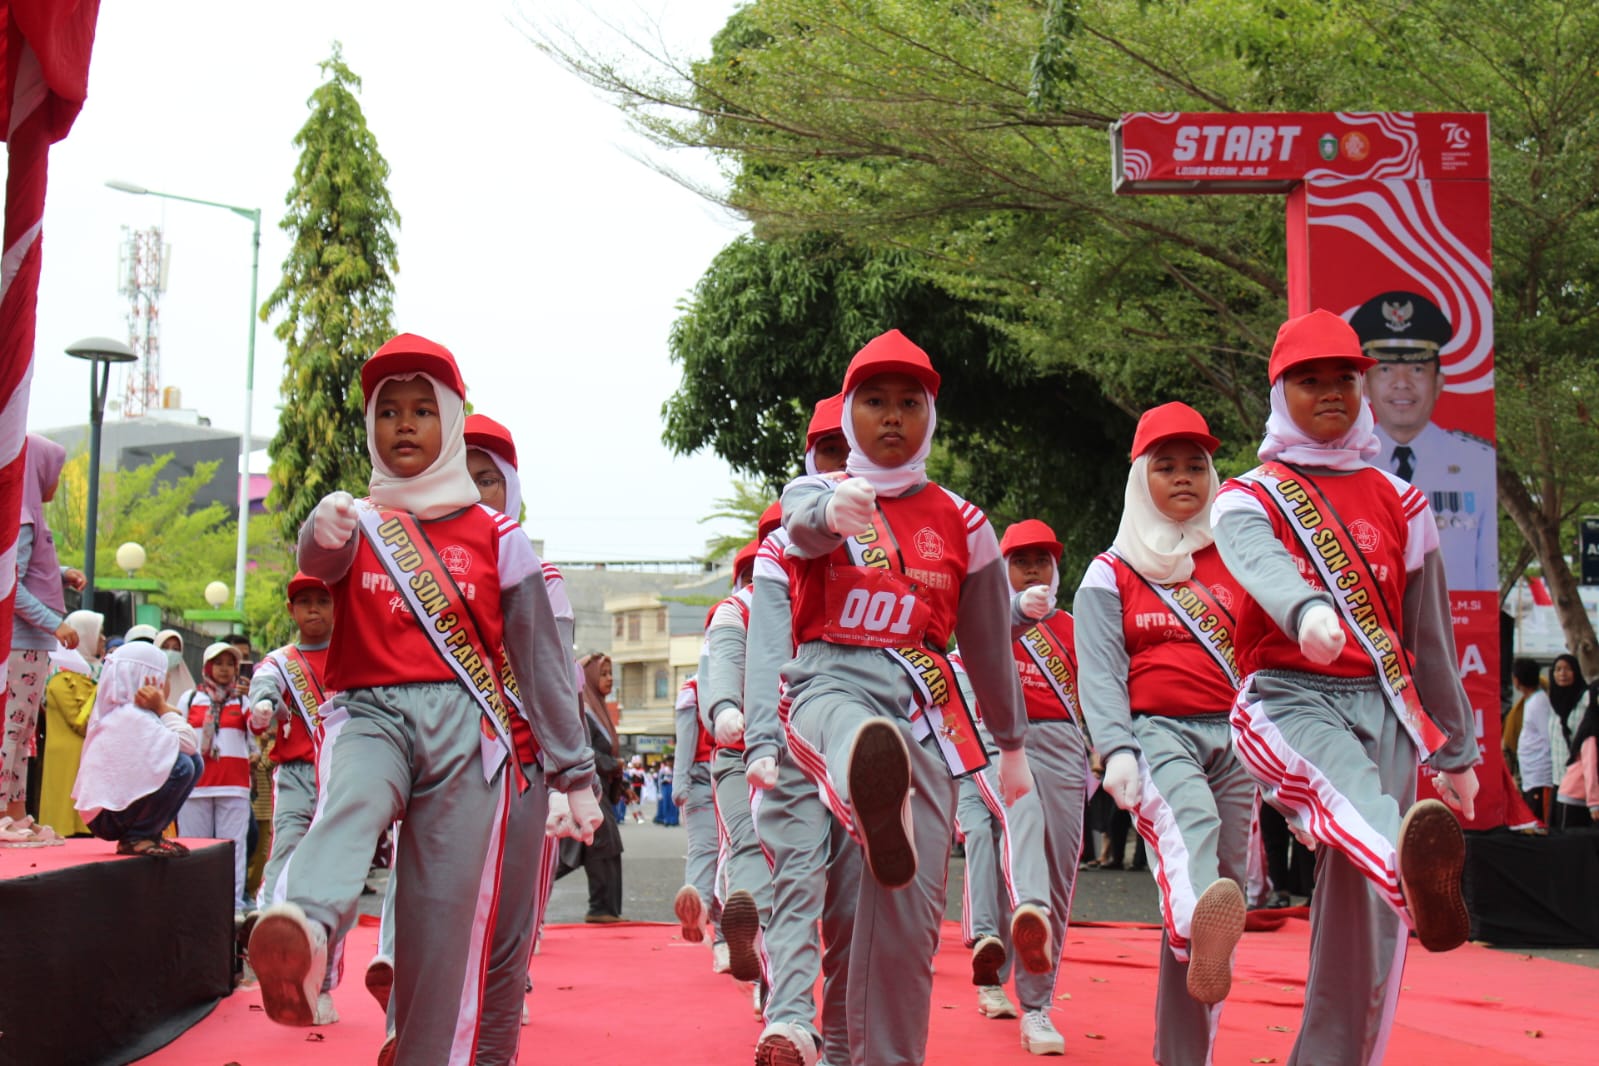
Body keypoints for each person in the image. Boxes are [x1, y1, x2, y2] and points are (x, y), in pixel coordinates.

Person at [249, 333, 600, 1064]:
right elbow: (317, 563)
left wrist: (574, 771)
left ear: (449, 420)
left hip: (468, 742)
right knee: (348, 807)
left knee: (443, 929)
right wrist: (319, 532)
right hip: (371, 716)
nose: (403, 425)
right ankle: (306, 932)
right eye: (387, 412)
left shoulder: (500, 538)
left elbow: (541, 663)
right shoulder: (357, 520)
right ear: (371, 428)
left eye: (421, 410)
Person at [1212, 309, 1480, 1065]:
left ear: (1360, 389)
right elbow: (1255, 560)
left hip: (1385, 704)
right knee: (1350, 798)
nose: (1328, 392)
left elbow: (1428, 637)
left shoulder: (1402, 501)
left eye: (1342, 379)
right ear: (1278, 392)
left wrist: (1454, 753)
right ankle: (1407, 867)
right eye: (1308, 381)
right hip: (1290, 697)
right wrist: (1304, 611)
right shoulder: (1249, 495)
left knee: (1367, 920)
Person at [774, 329, 1034, 1066]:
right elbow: (798, 527)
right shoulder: (816, 491)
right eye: (875, 402)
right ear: (850, 414)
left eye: (909, 404)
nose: (892, 418)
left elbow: (986, 644)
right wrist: (832, 514)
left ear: (930, 418)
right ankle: (860, 766)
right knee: (849, 730)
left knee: (906, 919)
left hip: (925, 716)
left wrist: (1010, 747)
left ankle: (880, 1058)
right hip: (829, 685)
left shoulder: (965, 522)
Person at [1076, 403, 1253, 1065]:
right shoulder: (1109, 572)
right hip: (1156, 736)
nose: (1183, 478)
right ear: (1137, 480)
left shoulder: (1239, 560)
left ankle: (1185, 1057)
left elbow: (1264, 660)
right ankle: (1190, 922)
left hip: (1234, 743)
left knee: (1213, 900)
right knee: (1193, 843)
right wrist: (1115, 747)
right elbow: (1099, 670)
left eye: (1195, 465)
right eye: (1165, 466)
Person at [743, 395, 860, 1066]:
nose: (842, 467)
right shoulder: (777, 552)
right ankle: (788, 1021)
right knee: (797, 880)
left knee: (849, 901)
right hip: (790, 741)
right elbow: (763, 651)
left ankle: (839, 1040)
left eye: (851, 452)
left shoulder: (897, 541)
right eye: (828, 453)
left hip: (864, 744)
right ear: (808, 460)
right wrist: (760, 740)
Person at [1353, 291, 1496, 590]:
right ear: (1365, 384)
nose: (1401, 383)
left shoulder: (1477, 463)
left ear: (1438, 382)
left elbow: (1486, 574)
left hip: (1454, 623)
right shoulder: (1346, 461)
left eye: (1417, 369)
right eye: (1386, 369)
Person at [3, 435, 85, 846]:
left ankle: (15, 812)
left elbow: (28, 570)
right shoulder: (24, 517)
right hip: (21, 643)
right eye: (55, 471)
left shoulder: (30, 514)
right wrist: (55, 623)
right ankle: (4, 810)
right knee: (12, 729)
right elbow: (9, 585)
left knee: (21, 731)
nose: (56, 481)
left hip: (30, 644)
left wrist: (62, 572)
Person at [72, 641, 202, 857]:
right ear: (148, 679)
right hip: (108, 813)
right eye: (164, 677)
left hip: (112, 810)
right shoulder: (131, 716)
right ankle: (138, 837)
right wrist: (163, 708)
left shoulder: (131, 713)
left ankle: (149, 834)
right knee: (183, 765)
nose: (167, 683)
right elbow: (189, 741)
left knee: (193, 762)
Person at [177, 642, 254, 915]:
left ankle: (232, 906)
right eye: (218, 663)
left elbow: (257, 735)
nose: (224, 670)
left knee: (234, 848)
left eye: (230, 664)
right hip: (195, 785)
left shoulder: (245, 702)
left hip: (234, 786)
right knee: (193, 846)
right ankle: (192, 903)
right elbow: (178, 738)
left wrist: (258, 706)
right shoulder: (188, 700)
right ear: (207, 667)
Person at [560, 652, 624, 923]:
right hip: (587, 786)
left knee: (597, 846)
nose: (609, 679)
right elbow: (584, 750)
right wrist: (613, 763)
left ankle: (605, 909)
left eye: (611, 674)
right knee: (599, 845)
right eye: (604, 673)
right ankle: (601, 908)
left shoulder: (597, 710)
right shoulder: (583, 711)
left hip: (598, 787)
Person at [39, 610, 105, 838]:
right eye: (99, 634)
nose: (103, 640)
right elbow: (81, 722)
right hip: (67, 760)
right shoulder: (61, 678)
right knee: (67, 820)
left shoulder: (93, 674)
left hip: (84, 758)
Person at [671, 673, 717, 944]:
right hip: (738, 775)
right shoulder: (751, 677)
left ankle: (698, 904)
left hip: (699, 779)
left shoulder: (693, 687)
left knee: (702, 849)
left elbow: (685, 738)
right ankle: (725, 938)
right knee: (734, 856)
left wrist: (680, 784)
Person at [1512, 658, 1563, 825]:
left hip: (1540, 774)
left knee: (1539, 821)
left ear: (1517, 680)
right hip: (1531, 773)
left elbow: (1547, 737)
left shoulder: (1539, 702)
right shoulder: (1532, 701)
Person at [1557, 682, 1599, 825]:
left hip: (1588, 799)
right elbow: (1590, 769)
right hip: (1576, 798)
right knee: (1571, 845)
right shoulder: (1592, 730)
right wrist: (1594, 803)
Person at [1547, 654, 1585, 747]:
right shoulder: (1552, 702)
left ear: (1576, 671)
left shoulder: (1586, 698)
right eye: (1558, 669)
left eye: (1568, 669)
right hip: (1557, 760)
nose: (1562, 673)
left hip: (1583, 760)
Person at [156, 629, 198, 704]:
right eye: (165, 647)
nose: (170, 652)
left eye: (175, 649)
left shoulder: (189, 686)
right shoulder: (145, 680)